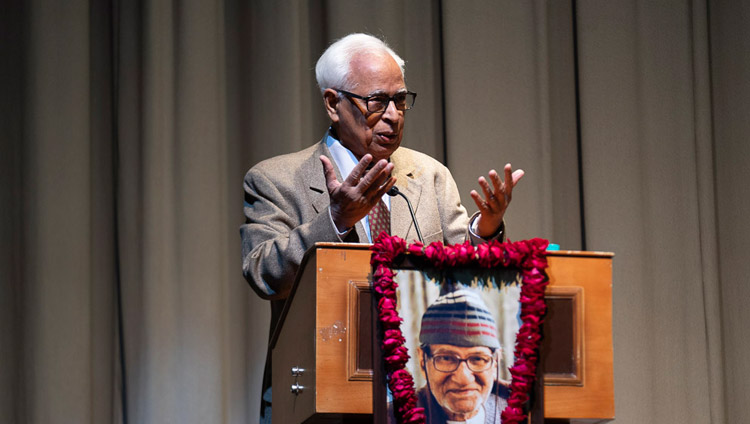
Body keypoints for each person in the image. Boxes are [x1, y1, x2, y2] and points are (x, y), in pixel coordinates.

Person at [240, 33, 523, 423]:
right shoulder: (276, 179)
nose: (393, 115)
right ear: (332, 103)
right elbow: (263, 274)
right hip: (323, 402)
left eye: (400, 100)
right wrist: (336, 220)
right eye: (377, 102)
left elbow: (464, 275)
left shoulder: (429, 176)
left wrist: (484, 232)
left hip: (424, 400)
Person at [414, 289, 508, 424]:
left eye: (478, 359)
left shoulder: (524, 415)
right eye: (446, 358)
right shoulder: (391, 417)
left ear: (495, 364)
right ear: (423, 362)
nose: (463, 378)